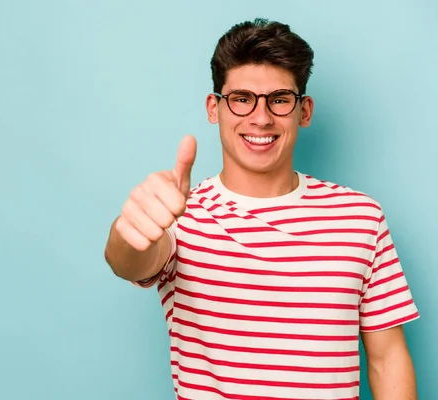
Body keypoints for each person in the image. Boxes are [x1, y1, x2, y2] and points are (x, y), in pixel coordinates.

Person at [103, 18, 419, 400]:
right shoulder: (179, 216)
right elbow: (129, 261)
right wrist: (129, 231)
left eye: (280, 99)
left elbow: (387, 359)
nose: (261, 117)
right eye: (241, 99)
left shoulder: (361, 217)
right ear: (214, 107)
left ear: (303, 111)